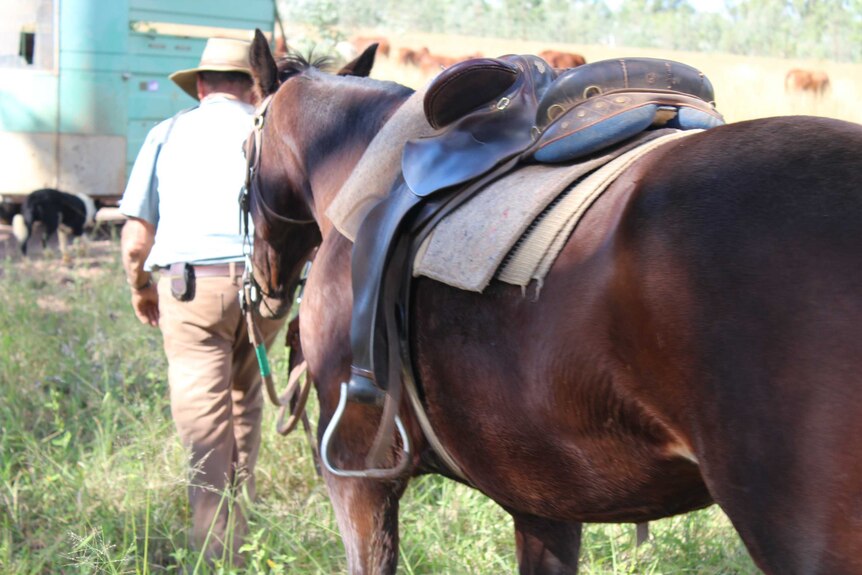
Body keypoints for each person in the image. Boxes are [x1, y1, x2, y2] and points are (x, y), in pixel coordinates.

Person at [119, 37, 285, 565]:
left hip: (192, 289)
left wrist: (140, 287)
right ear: (254, 84)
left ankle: (216, 549)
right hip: (264, 291)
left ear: (202, 84)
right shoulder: (272, 131)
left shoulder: (168, 133)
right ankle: (245, 514)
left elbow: (136, 241)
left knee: (203, 419)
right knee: (244, 398)